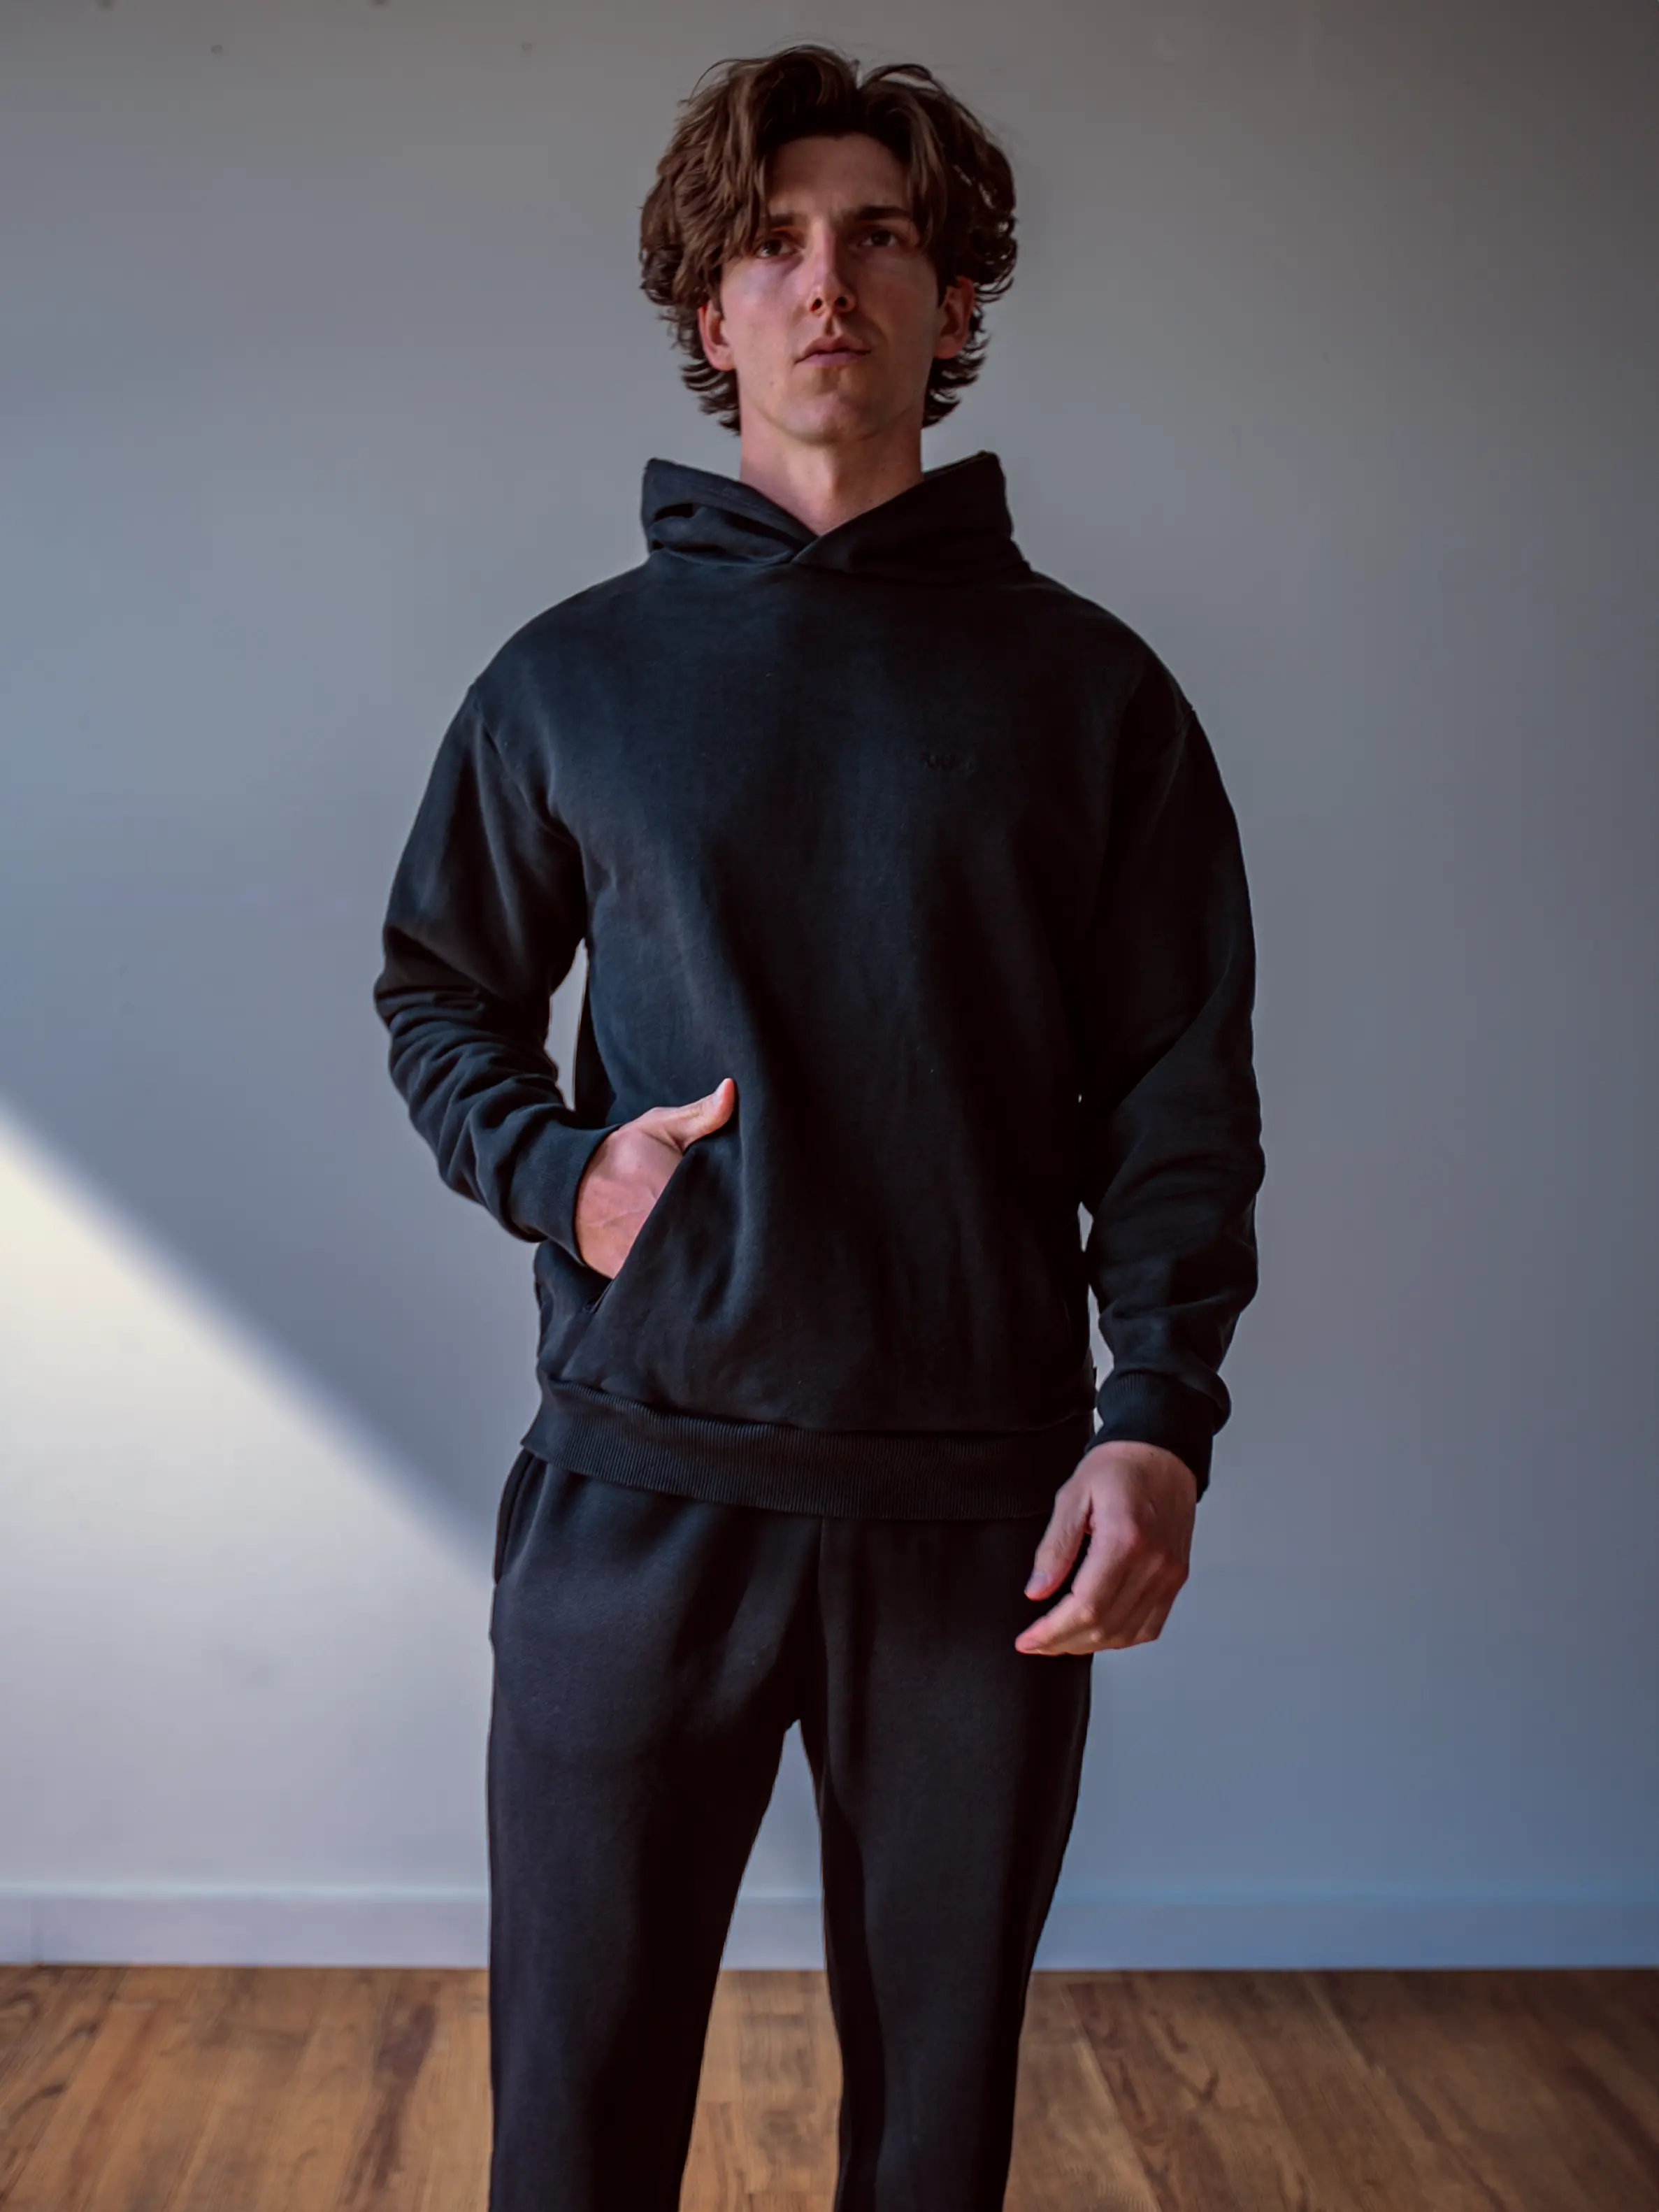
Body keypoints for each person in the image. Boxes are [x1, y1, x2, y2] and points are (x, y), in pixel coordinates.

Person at [373, 41, 1265, 2212]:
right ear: (712, 314)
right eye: (773, 244)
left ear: (956, 304)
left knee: (929, 2158)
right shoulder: (567, 682)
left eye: (880, 236)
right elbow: (440, 995)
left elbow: (1176, 1090)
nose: (825, 279)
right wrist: (555, 1167)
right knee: (568, 2146)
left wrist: (1151, 1415)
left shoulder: (1091, 696)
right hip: (632, 1489)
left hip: (976, 1525)